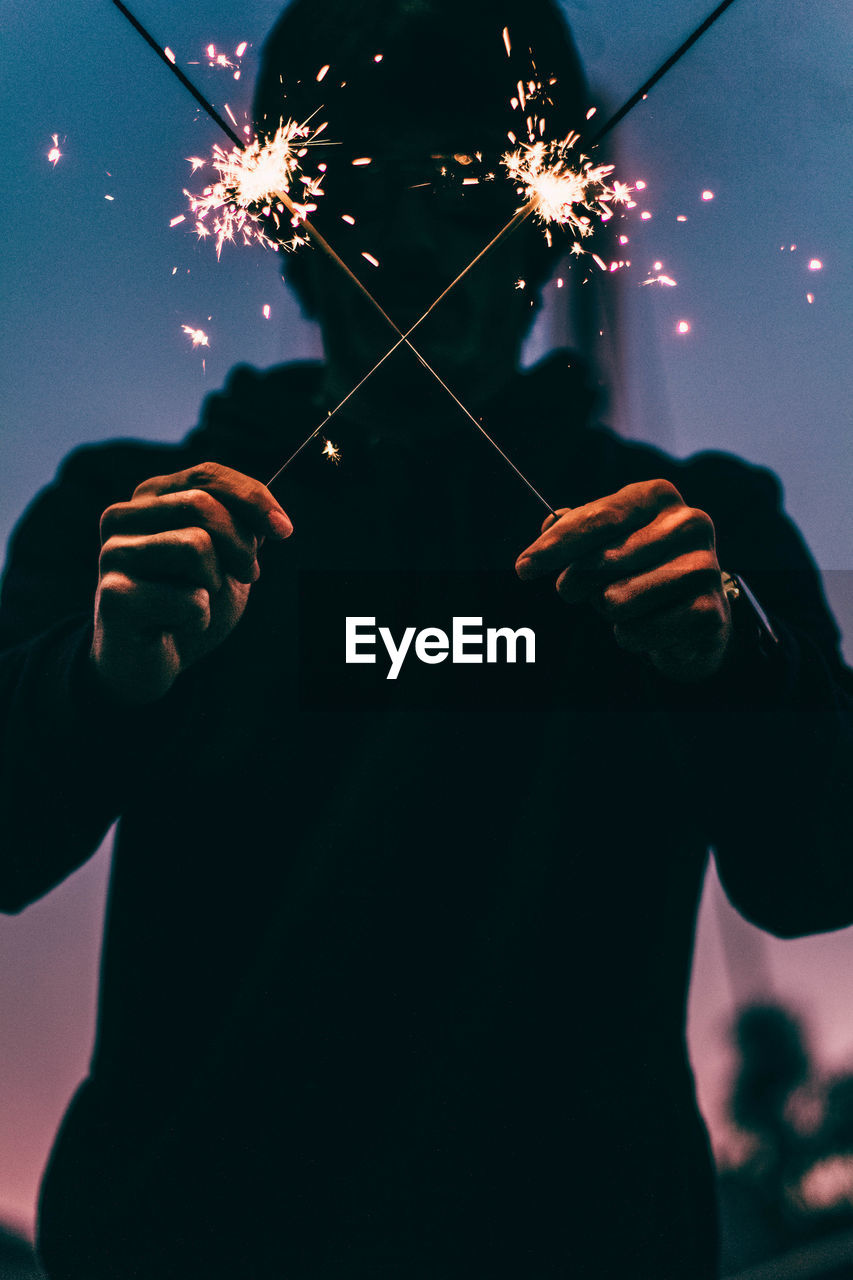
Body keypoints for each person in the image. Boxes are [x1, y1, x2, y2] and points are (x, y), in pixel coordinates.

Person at [1, 0, 851, 1275]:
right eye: (360, 185)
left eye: (463, 188)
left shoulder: (700, 534)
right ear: (284, 218)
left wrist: (725, 654)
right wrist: (103, 677)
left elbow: (813, 870)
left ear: (547, 223)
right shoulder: (132, 522)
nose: (411, 236)